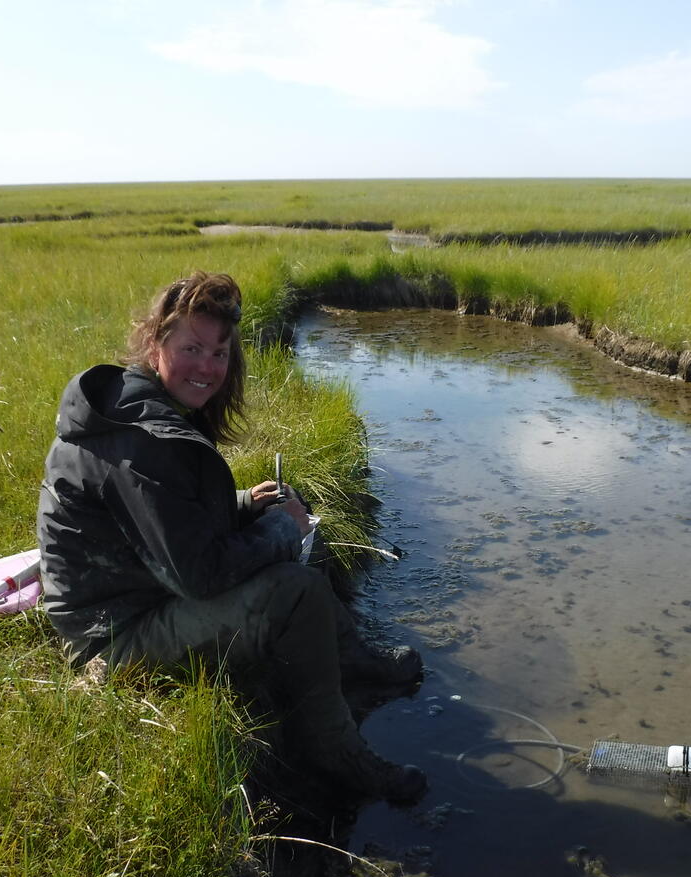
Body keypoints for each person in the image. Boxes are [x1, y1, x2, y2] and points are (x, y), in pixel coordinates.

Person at [36, 271, 426, 804]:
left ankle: (350, 660)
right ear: (155, 344)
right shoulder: (142, 441)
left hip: (136, 594)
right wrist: (278, 530)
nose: (208, 367)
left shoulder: (137, 406)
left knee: (280, 530)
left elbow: (165, 520)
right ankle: (335, 752)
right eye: (192, 348)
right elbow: (199, 575)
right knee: (295, 588)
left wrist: (247, 505)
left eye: (219, 352)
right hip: (112, 639)